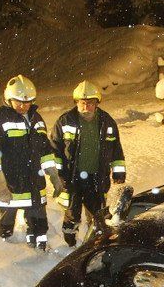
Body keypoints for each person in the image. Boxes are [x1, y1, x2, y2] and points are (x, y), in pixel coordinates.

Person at [43, 81, 126, 247]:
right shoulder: (65, 121)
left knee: (99, 215)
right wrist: (60, 176)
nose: (86, 106)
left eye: (90, 103)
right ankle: (70, 245)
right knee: (72, 214)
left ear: (97, 103)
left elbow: (115, 148)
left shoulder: (106, 121)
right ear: (76, 102)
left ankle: (96, 244)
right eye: (83, 103)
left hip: (97, 177)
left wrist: (119, 172)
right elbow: (54, 150)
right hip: (72, 178)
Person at [0, 75, 51, 250]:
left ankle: (40, 253)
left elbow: (45, 149)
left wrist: (54, 174)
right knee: (2, 228)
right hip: (9, 184)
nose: (23, 106)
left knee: (39, 226)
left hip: (34, 184)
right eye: (18, 102)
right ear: (8, 99)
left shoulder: (36, 119)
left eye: (27, 102)